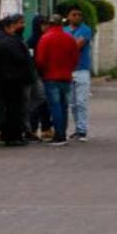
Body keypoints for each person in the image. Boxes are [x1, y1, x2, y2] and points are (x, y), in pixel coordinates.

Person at [34, 14, 79, 146]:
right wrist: (69, 69)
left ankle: (59, 135)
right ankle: (63, 133)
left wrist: (43, 71)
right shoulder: (69, 38)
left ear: (50, 24)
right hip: (66, 76)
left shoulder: (45, 38)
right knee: (64, 105)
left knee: (55, 106)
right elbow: (75, 58)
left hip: (50, 76)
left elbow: (40, 60)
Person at [0, 14, 33, 146]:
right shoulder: (8, 41)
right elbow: (19, 59)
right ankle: (14, 136)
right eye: (13, 27)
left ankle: (9, 134)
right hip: (13, 79)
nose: (15, 29)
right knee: (15, 108)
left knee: (9, 108)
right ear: (7, 28)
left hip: (4, 78)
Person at [64, 5, 94, 142]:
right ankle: (77, 129)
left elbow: (78, 45)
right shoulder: (65, 30)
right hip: (68, 69)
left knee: (81, 102)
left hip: (82, 69)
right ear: (68, 17)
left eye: (79, 15)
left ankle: (82, 130)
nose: (77, 17)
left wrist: (64, 46)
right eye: (74, 14)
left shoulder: (86, 29)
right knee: (72, 103)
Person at [25, 13, 52, 140]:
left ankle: (46, 128)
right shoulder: (32, 41)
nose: (46, 27)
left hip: (48, 74)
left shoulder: (48, 38)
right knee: (37, 102)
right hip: (36, 75)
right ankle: (33, 129)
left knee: (45, 103)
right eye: (43, 24)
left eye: (47, 24)